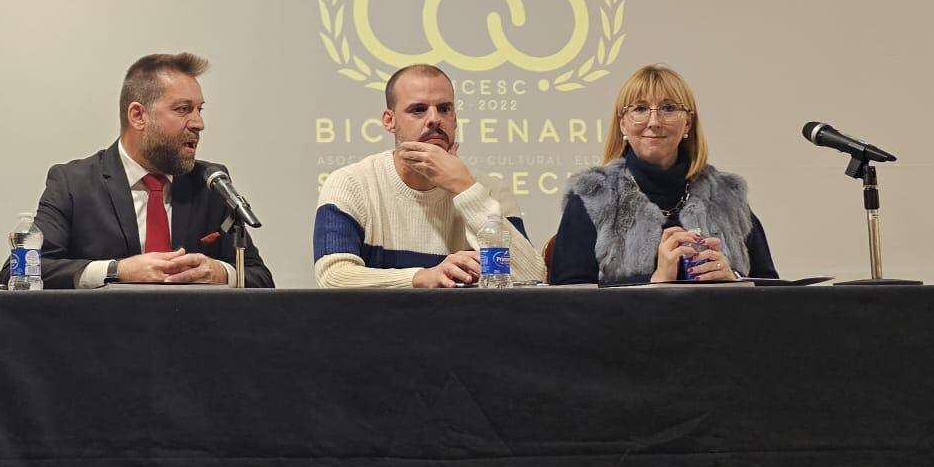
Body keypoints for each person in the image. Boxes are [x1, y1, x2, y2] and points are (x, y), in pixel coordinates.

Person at [0, 53, 274, 289]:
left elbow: (260, 277)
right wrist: (117, 271)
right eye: (183, 109)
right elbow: (17, 273)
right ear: (138, 115)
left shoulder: (210, 184)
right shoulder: (75, 184)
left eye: (199, 110)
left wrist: (220, 272)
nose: (198, 123)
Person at [314, 65, 547, 288]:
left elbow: (531, 278)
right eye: (418, 110)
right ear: (390, 121)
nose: (435, 119)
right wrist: (421, 277)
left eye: (445, 109)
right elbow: (333, 276)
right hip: (380, 326)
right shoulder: (352, 183)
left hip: (466, 326)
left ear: (455, 120)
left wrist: (464, 189)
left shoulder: (489, 189)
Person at [549, 63, 777, 285]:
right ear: (622, 124)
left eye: (668, 108)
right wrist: (655, 282)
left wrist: (733, 279)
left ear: (688, 123)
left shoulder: (727, 195)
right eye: (640, 109)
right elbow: (569, 299)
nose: (654, 122)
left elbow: (771, 292)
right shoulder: (593, 195)